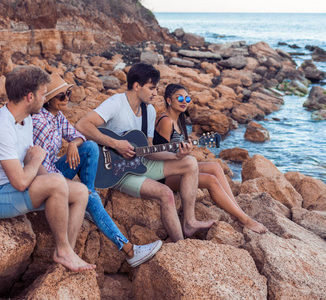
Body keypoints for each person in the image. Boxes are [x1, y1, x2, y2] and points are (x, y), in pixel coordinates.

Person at [0, 66, 96, 272]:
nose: (44, 98)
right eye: (43, 94)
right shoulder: (0, 127)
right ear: (30, 96)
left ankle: (67, 252)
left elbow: (33, 172)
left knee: (80, 191)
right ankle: (63, 251)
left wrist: (53, 184)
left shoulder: (25, 119)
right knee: (57, 183)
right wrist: (38, 161)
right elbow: (20, 181)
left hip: (16, 186)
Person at [32, 74, 162, 268]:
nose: (67, 98)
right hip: (43, 178)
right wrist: (65, 185)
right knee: (90, 197)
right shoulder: (40, 123)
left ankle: (89, 194)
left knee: (91, 147)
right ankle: (128, 249)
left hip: (53, 169)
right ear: (47, 100)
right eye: (61, 96)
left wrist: (73, 145)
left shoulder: (57, 117)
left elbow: (77, 134)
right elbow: (39, 166)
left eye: (68, 93)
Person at [75, 63, 216, 242]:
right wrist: (116, 144)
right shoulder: (115, 103)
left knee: (190, 162)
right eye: (151, 88)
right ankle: (181, 244)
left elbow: (149, 150)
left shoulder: (148, 110)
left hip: (140, 161)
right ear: (136, 86)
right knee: (165, 193)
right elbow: (82, 125)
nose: (155, 93)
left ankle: (189, 221)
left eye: (156, 88)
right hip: (114, 170)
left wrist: (176, 156)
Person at [153, 83, 267, 234]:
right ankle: (245, 220)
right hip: (162, 174)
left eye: (187, 98)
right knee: (210, 180)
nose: (184, 101)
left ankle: (238, 212)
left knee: (215, 167)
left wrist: (185, 152)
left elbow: (176, 152)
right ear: (169, 100)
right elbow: (162, 156)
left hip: (176, 167)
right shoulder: (166, 121)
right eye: (180, 98)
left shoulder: (179, 119)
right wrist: (181, 155)